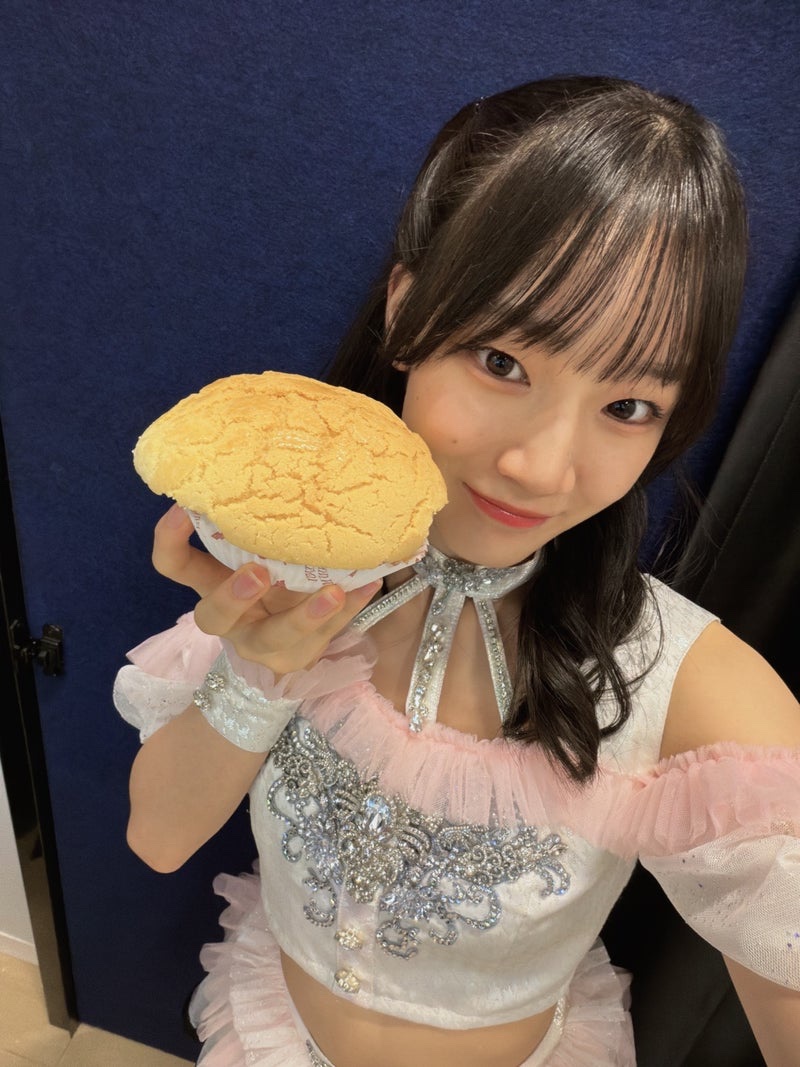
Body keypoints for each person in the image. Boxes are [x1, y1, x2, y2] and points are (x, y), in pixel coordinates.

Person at [116, 76, 800, 1067]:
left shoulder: (690, 686)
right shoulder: (304, 566)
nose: (541, 467)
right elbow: (157, 835)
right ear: (406, 311)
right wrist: (259, 664)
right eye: (502, 360)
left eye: (627, 407)